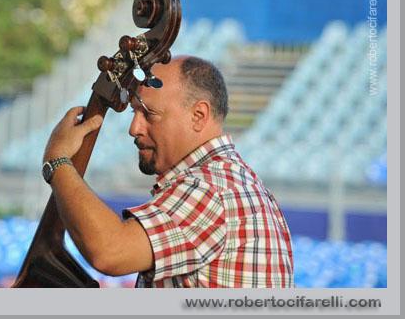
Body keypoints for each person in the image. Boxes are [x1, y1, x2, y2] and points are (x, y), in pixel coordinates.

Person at [42, 55, 294, 288]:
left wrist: (58, 162)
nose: (134, 128)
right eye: (135, 112)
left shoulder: (210, 189)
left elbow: (110, 251)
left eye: (149, 114)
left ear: (198, 115)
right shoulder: (233, 181)